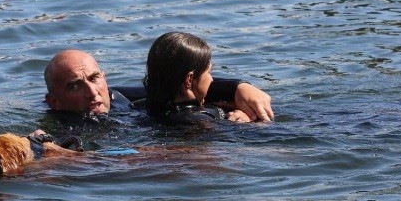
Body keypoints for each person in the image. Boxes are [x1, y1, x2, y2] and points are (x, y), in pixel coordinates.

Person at [43, 47, 273, 123]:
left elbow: (175, 88)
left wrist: (239, 88)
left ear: (104, 77)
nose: (92, 92)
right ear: (53, 102)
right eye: (74, 86)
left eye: (94, 78)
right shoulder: (66, 127)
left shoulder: (116, 97)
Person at [143, 31, 264, 125]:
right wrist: (248, 122)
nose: (212, 79)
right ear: (189, 79)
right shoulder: (200, 122)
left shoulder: (144, 107)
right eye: (209, 72)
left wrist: (239, 87)